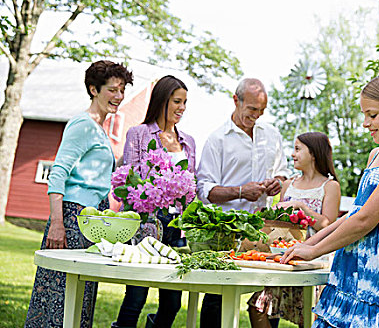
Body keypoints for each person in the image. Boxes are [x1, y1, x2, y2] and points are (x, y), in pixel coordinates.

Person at [281, 71, 379, 328]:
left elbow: (365, 220)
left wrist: (315, 251)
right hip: (353, 264)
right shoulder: (376, 155)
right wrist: (309, 243)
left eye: (372, 115)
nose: (365, 123)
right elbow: (354, 215)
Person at [25, 60, 133, 328]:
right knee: (60, 295)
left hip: (91, 221)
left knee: (80, 296)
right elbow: (58, 172)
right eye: (112, 90)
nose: (118, 97)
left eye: (122, 90)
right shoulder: (83, 124)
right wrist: (58, 224)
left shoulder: (99, 129)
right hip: (72, 218)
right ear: (93, 89)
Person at [196, 78, 291, 328]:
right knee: (218, 294)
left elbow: (282, 173)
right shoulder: (218, 139)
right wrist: (240, 191)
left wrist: (277, 183)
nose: (257, 115)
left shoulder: (271, 135)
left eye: (262, 110)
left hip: (263, 229)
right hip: (226, 230)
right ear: (236, 100)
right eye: (252, 109)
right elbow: (205, 189)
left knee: (266, 295)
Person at [112, 75, 196, 328]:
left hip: (176, 227)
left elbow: (191, 188)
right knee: (136, 296)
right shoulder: (138, 134)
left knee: (172, 302)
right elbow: (127, 181)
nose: (181, 108)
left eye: (184, 102)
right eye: (176, 101)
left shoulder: (188, 142)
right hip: (146, 224)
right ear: (162, 101)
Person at [248, 131, 341, 328]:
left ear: (314, 154)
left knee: (307, 315)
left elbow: (329, 225)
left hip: (314, 260)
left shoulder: (330, 186)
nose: (292, 154)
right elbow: (279, 223)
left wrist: (303, 208)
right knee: (258, 306)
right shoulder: (288, 185)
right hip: (284, 257)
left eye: (298, 149)